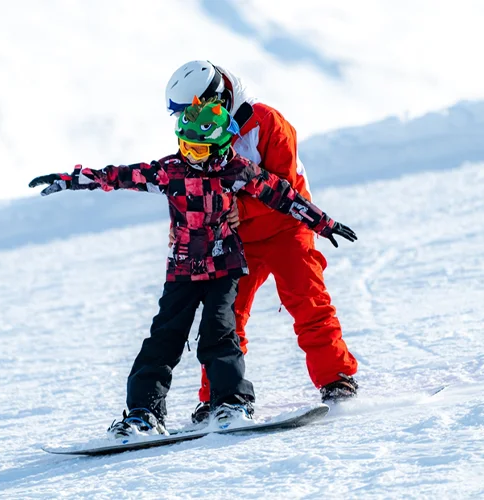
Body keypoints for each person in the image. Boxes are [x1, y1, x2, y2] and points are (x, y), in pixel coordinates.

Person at [28, 96, 357, 437]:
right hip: (183, 270)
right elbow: (120, 176)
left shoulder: (237, 171)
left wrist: (325, 224)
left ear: (219, 146)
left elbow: (284, 196)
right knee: (163, 339)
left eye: (198, 150)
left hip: (224, 269)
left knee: (220, 334)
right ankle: (144, 413)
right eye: (185, 146)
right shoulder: (172, 171)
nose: (190, 156)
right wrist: (71, 179)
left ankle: (230, 402)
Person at [165, 61, 360, 423]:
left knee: (308, 301)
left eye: (197, 107)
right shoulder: (199, 134)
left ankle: (336, 378)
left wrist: (240, 207)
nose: (194, 117)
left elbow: (283, 186)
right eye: (186, 113)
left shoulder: (267, 123)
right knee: (223, 319)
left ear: (217, 97)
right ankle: (220, 397)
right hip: (239, 242)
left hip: (287, 229)